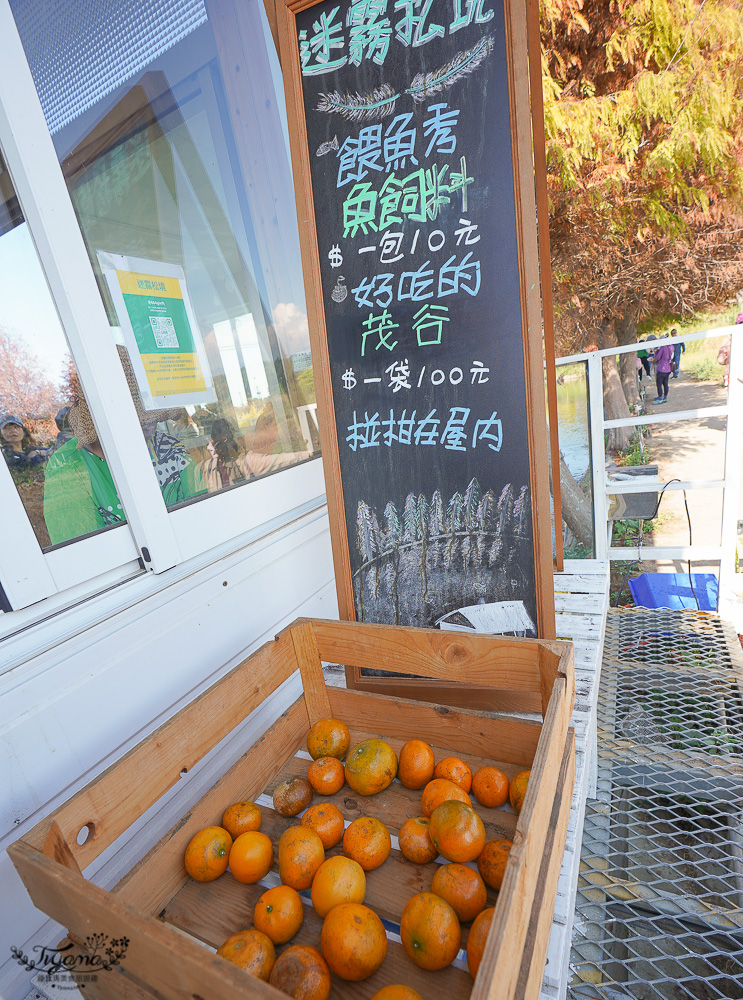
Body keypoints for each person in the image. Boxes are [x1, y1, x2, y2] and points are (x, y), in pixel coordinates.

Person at [43, 347, 206, 545]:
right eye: (141, 419)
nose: (151, 425)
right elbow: (87, 553)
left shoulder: (170, 449)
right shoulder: (67, 465)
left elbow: (202, 517)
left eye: (152, 417)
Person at [647, 333, 673, 404]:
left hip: (661, 368)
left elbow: (658, 357)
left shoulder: (662, 347)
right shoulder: (670, 346)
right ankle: (665, 397)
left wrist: (654, 357)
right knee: (665, 383)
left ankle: (660, 397)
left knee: (659, 384)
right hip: (668, 368)